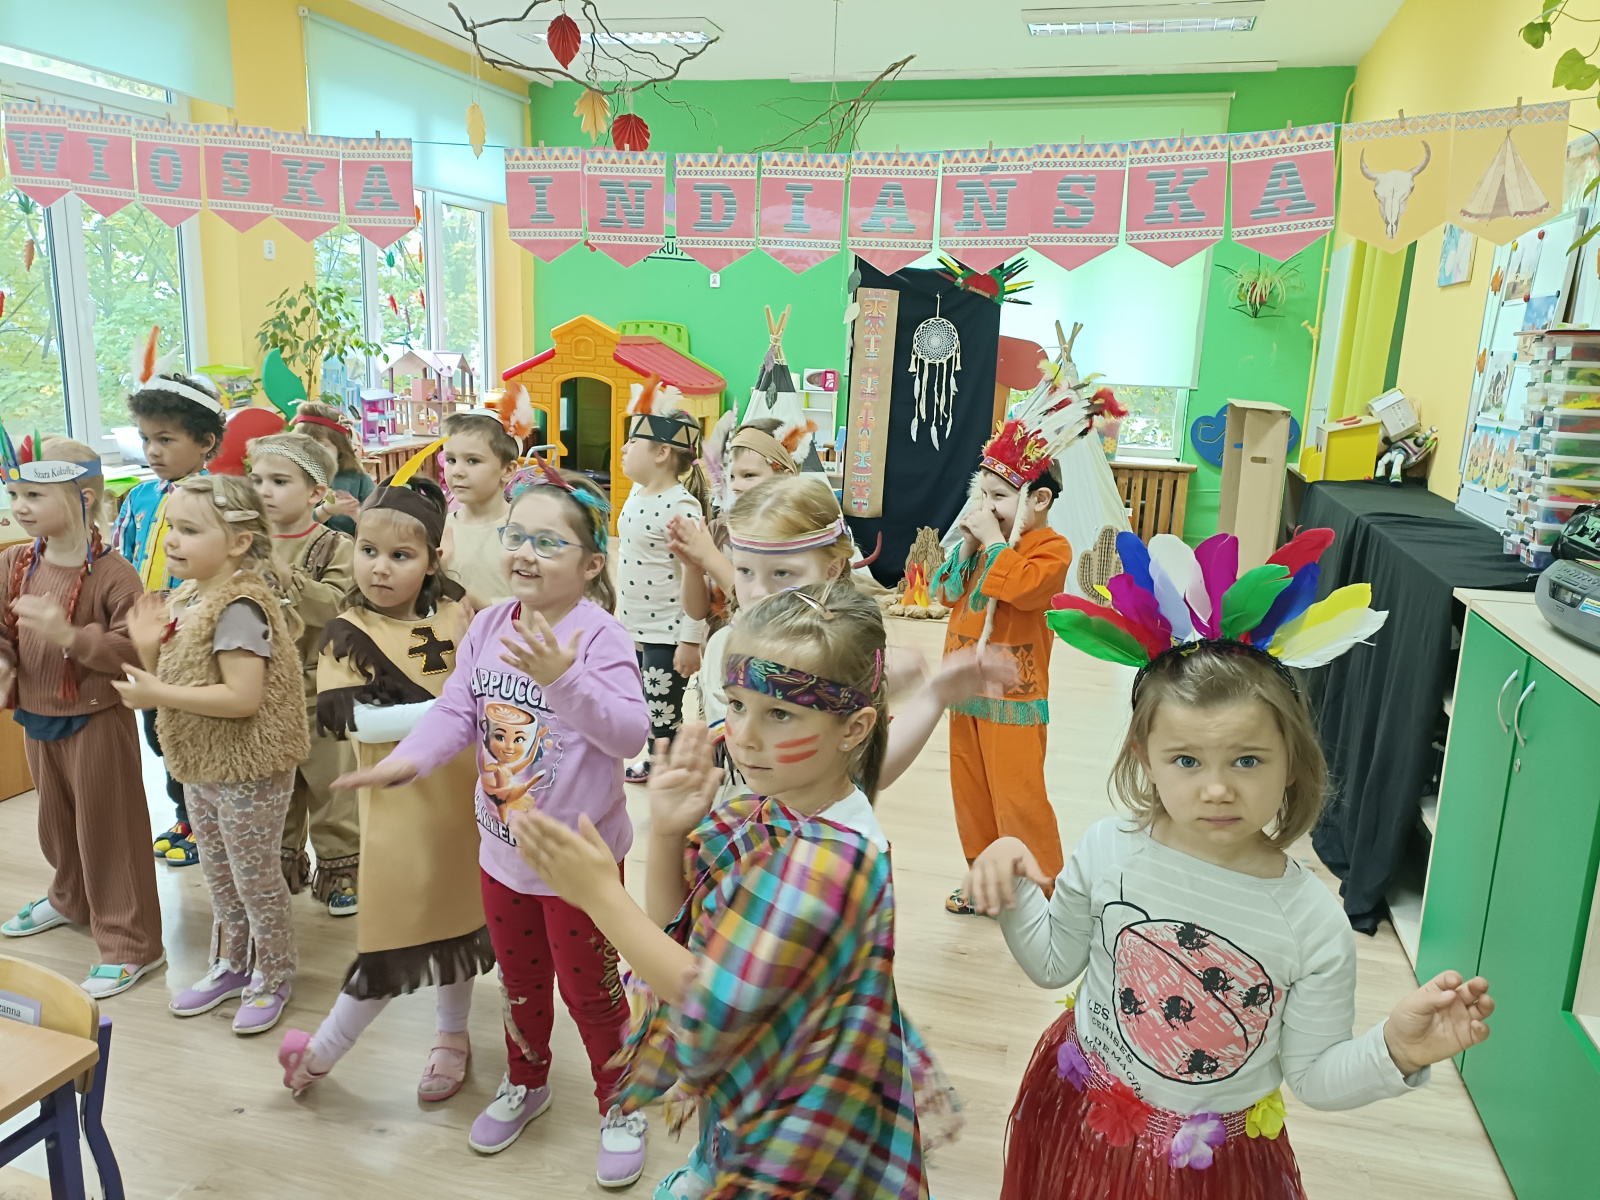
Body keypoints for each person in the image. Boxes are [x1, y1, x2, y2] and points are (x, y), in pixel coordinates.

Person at [967, 529, 1495, 1200]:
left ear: (1292, 762)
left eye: (1247, 760)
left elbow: (1314, 1077)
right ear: (1144, 757)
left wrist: (1395, 1049)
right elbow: (1052, 964)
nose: (1217, 788)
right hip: (1082, 1121)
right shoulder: (1107, 849)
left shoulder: (1312, 925)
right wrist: (1014, 885)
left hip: (1206, 1171)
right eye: (1186, 760)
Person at [512, 583, 962, 1199]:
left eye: (780, 714)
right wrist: (667, 834)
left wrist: (599, 897)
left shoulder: (833, 865)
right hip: (753, 1102)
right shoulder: (768, 807)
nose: (744, 735)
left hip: (802, 1132)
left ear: (855, 728)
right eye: (737, 704)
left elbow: (708, 1000)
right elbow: (679, 932)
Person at [332, 460, 651, 1187]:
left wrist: (563, 678)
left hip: (579, 866)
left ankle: (622, 1103)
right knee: (519, 983)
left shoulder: (601, 637)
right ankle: (527, 1082)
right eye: (516, 536)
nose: (525, 553)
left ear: (591, 563)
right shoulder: (486, 625)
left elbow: (630, 734)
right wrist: (407, 761)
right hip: (501, 856)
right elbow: (457, 711)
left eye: (548, 542)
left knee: (591, 993)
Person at [278, 477, 493, 1101]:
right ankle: (322, 1052)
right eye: (368, 551)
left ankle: (452, 1036)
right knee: (390, 940)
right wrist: (465, 706)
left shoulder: (458, 609)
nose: (380, 567)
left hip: (469, 805)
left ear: (432, 559)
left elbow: (502, 650)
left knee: (461, 927)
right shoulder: (346, 633)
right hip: (402, 815)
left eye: (401, 555)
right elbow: (364, 723)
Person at [113, 475, 311, 1036]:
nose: (173, 540)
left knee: (254, 878)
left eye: (191, 530)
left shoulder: (240, 606)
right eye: (171, 527)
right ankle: (232, 964)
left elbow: (242, 698)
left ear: (240, 542)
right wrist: (148, 648)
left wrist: (156, 693)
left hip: (249, 765)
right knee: (220, 876)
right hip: (203, 761)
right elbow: (179, 673)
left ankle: (273, 974)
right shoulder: (188, 596)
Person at [0, 435, 165, 997]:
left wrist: (70, 636)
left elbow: (135, 649)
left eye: (34, 495)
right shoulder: (15, 563)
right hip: (37, 715)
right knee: (56, 822)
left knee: (109, 830)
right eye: (14, 494)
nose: (19, 507)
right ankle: (70, 898)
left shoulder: (115, 575)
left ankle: (133, 943)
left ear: (83, 498)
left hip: (96, 721)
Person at [933, 416, 1074, 917]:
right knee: (970, 793)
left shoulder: (1052, 550)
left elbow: (1023, 588)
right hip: (964, 689)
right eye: (984, 494)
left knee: (1018, 796)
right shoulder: (981, 545)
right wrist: (970, 545)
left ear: (1040, 499)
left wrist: (993, 542)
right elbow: (943, 592)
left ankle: (1046, 890)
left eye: (1001, 496)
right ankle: (985, 882)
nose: (988, 506)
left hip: (1013, 696)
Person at [113, 342, 228, 869]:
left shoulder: (221, 498)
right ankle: (186, 816)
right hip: (148, 637)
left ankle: (212, 823)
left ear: (205, 442)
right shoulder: (139, 497)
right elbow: (124, 558)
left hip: (199, 635)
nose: (153, 450)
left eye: (166, 439)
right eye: (145, 439)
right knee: (160, 732)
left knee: (199, 730)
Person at [248, 432, 360, 915]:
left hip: (321, 687)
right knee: (274, 786)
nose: (264, 491)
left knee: (331, 786)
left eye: (279, 481)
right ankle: (281, 864)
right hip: (259, 689)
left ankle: (340, 870)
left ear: (316, 492)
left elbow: (337, 607)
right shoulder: (241, 545)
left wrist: (284, 573)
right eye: (256, 480)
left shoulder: (336, 546)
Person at [615, 378, 710, 782]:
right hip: (635, 625)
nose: (623, 449)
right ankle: (661, 759)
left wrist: (690, 640)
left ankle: (666, 767)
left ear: (661, 452)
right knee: (645, 702)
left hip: (667, 634)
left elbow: (697, 573)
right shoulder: (636, 494)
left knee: (663, 709)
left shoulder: (680, 506)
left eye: (632, 441)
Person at [667, 415, 802, 637]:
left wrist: (709, 556)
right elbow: (697, 611)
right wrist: (692, 566)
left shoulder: (793, 537)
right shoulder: (719, 529)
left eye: (749, 475)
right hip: (718, 653)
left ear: (784, 477)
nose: (736, 486)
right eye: (731, 476)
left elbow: (759, 608)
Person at [439, 409, 518, 610]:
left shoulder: (523, 530)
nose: (457, 471)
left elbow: (540, 598)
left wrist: (481, 605)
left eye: (473, 461)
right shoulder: (439, 528)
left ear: (507, 470)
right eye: (451, 460)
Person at [290, 401, 374, 536]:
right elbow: (290, 526)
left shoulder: (358, 478)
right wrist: (325, 511)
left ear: (339, 447)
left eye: (322, 446)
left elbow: (379, 524)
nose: (314, 453)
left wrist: (355, 513)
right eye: (306, 446)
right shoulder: (290, 481)